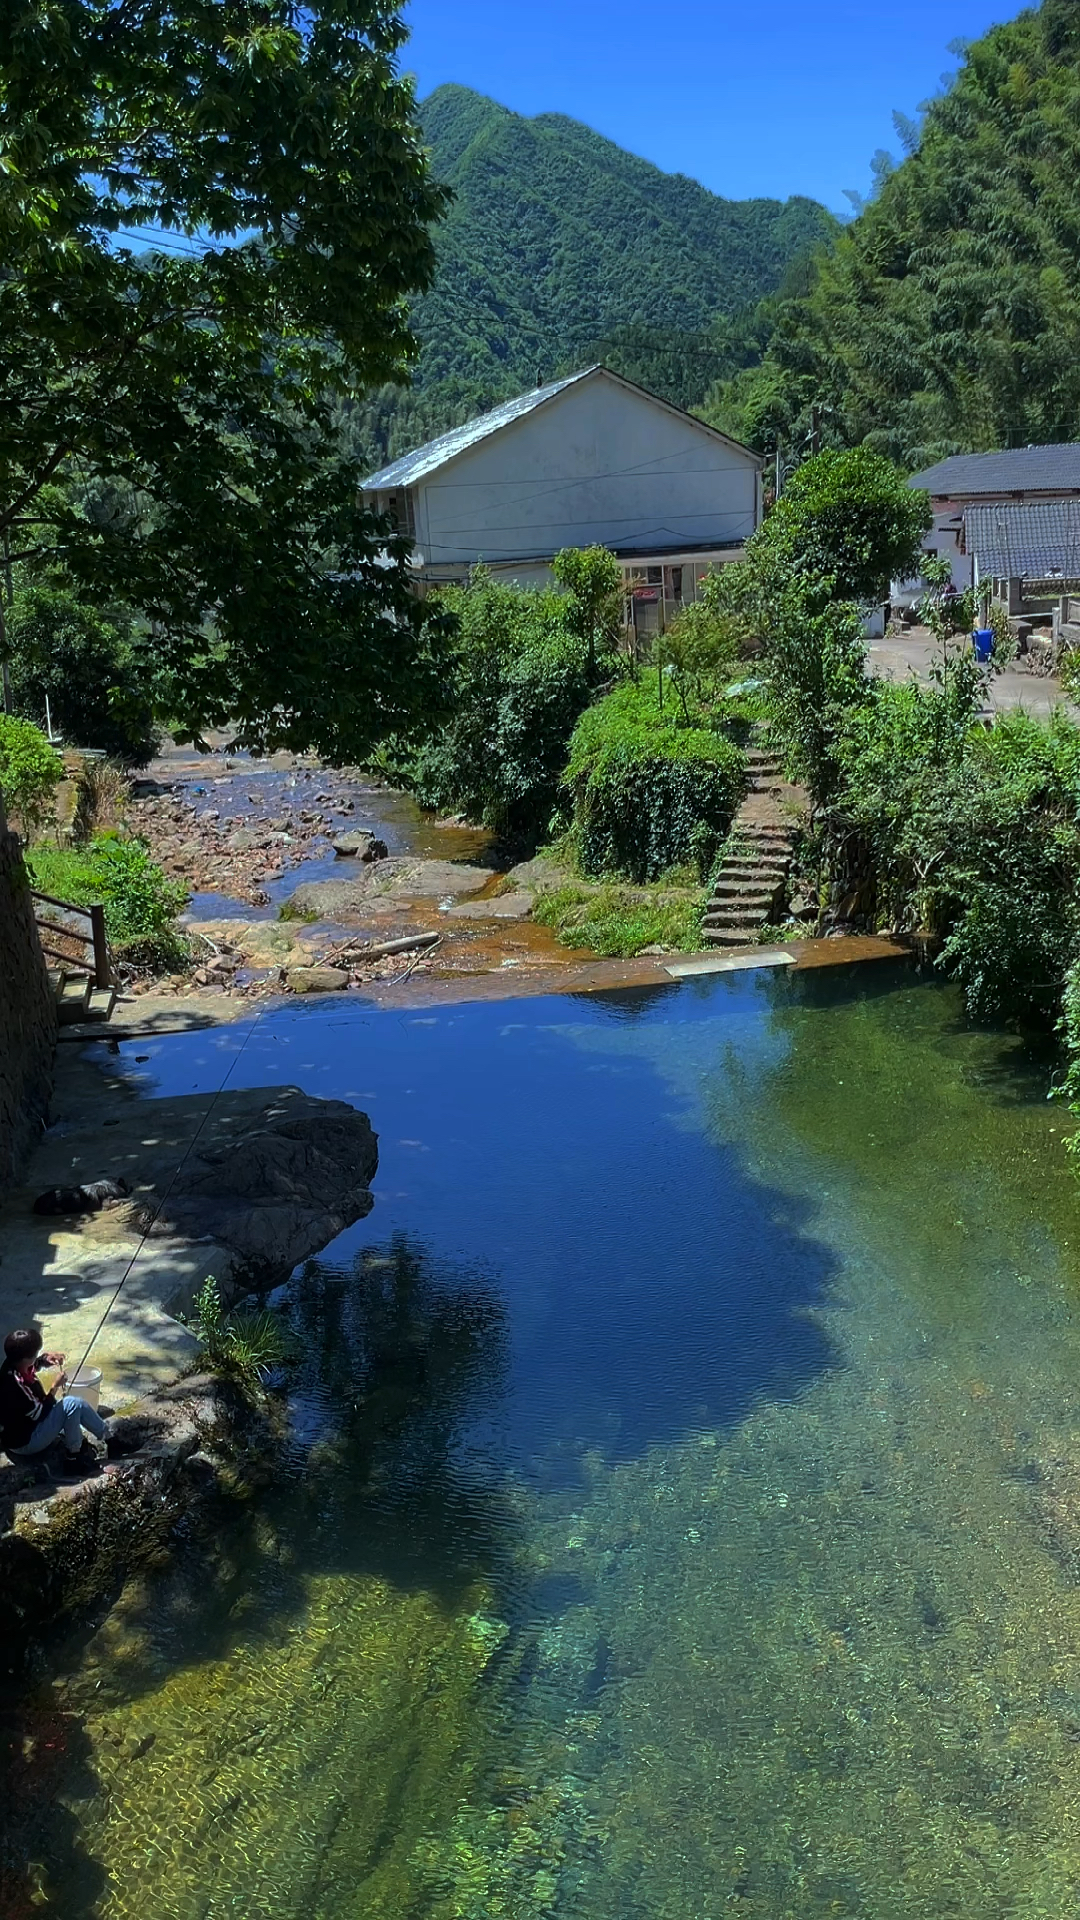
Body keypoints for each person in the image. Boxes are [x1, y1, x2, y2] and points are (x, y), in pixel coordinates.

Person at [0, 1327, 107, 1477]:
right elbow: (41, 1413)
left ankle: (109, 1437)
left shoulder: (13, 1362)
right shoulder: (15, 1385)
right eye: (35, 1354)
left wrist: (43, 1361)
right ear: (26, 1358)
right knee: (71, 1405)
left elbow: (29, 1365)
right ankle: (73, 1458)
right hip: (26, 1442)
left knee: (76, 1402)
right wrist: (54, 1387)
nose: (36, 1357)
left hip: (29, 1427)